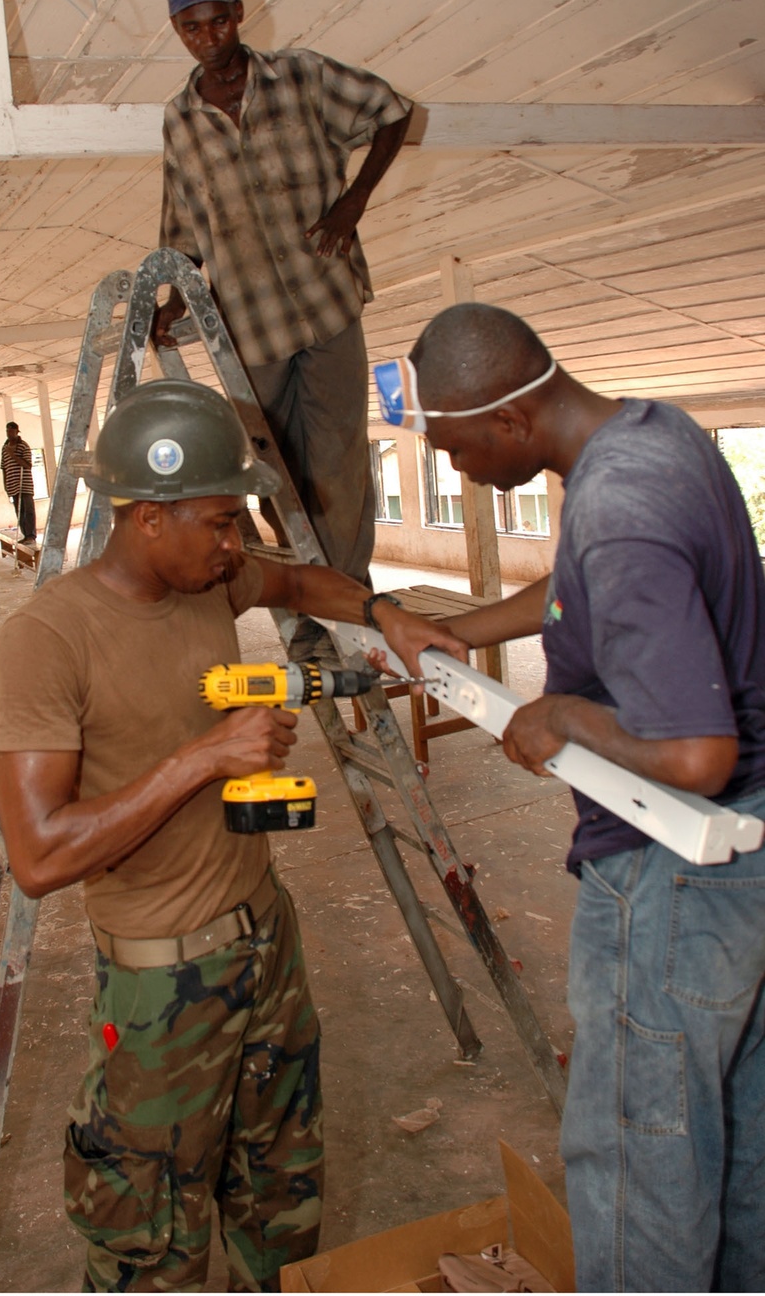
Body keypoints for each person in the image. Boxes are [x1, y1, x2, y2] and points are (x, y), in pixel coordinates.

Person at [0, 379, 441, 1292]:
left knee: (282, 1198)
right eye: (219, 521)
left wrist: (388, 617)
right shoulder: (48, 639)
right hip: (163, 985)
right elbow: (37, 857)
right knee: (151, 1238)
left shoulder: (207, 576)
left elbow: (300, 578)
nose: (238, 544)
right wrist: (204, 757)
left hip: (266, 945)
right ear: (147, 516)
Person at [377, 302, 765, 1294]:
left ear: (508, 422)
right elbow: (580, 586)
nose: (457, 470)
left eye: (457, 449)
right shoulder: (652, 434)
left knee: (643, 1162)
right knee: (735, 1138)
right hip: (747, 858)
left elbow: (696, 752)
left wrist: (566, 718)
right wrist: (469, 623)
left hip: (671, 871)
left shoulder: (616, 510)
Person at [154, 0, 413, 654]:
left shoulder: (300, 76)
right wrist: (173, 294)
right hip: (251, 323)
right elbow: (183, 221)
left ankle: (348, 594)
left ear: (238, 14)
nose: (207, 37)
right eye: (191, 27)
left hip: (327, 300)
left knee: (340, 459)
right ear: (177, 33)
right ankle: (306, 607)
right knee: (274, 471)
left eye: (218, 20)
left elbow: (393, 111)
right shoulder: (179, 122)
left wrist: (353, 203)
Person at [0, 421, 36, 543]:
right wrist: (6, 485)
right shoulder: (4, 448)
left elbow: (27, 465)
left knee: (29, 510)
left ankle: (31, 535)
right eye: (7, 431)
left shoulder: (23, 446)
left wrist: (13, 455)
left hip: (24, 484)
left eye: (11, 431)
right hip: (12, 484)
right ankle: (25, 535)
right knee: (19, 511)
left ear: (17, 431)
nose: (9, 433)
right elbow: (3, 468)